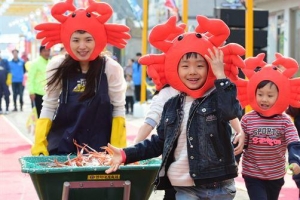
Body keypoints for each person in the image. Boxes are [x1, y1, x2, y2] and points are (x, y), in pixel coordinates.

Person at [31, 0, 131, 156]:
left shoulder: (111, 68)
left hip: (101, 149)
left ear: (98, 39)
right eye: (76, 40)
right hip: (62, 146)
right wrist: (40, 142)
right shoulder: (57, 65)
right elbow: (49, 105)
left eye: (88, 39)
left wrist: (118, 147)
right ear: (67, 40)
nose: (82, 46)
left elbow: (118, 108)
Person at [232, 53, 300, 200]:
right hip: (252, 174)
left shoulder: (285, 121)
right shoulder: (247, 119)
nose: (264, 99)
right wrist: (234, 163)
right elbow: (239, 143)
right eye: (260, 94)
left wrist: (295, 161)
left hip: (275, 175)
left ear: (280, 95)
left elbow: (294, 142)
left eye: (270, 95)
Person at [27, 46, 51, 118]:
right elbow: (30, 78)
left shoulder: (51, 62)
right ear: (40, 52)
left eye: (48, 51)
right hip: (37, 94)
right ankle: (38, 129)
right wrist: (31, 92)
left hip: (49, 94)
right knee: (38, 115)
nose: (47, 53)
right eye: (44, 51)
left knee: (47, 116)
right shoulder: (35, 63)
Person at [0, 50, 10, 114]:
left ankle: (7, 108)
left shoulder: (5, 61)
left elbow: (9, 71)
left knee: (6, 95)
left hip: (5, 82)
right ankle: (0, 108)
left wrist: (9, 79)